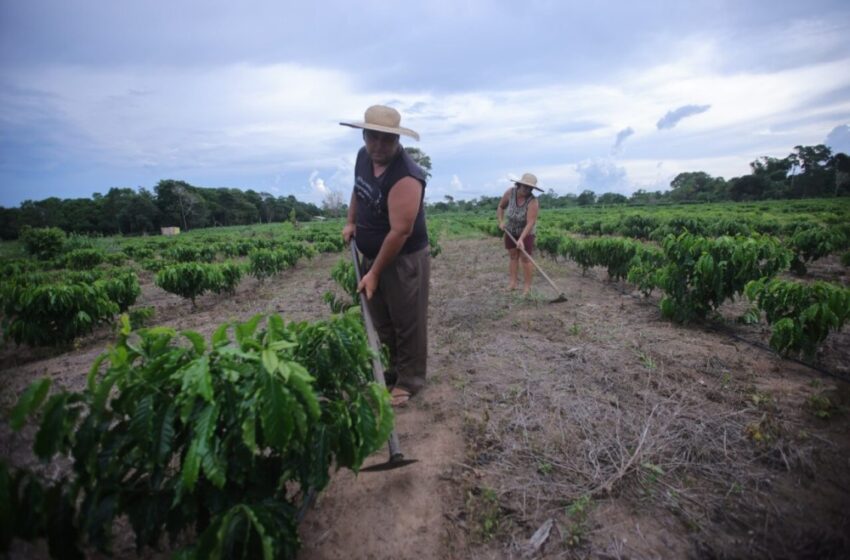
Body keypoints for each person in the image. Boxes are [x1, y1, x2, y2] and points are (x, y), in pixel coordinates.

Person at [340, 105, 429, 407]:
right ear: (364, 135)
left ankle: (410, 380)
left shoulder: (407, 176)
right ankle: (394, 368)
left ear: (397, 141)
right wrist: (351, 221)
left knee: (407, 319)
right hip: (373, 254)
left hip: (403, 257)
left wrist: (374, 272)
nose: (378, 146)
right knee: (382, 318)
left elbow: (399, 232)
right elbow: (358, 191)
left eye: (386, 140)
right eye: (372, 137)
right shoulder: (363, 158)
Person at [497, 173, 542, 295]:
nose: (527, 190)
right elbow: (501, 207)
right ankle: (512, 284)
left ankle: (527, 288)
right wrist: (501, 221)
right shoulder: (510, 193)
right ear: (519, 184)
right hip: (510, 229)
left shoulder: (533, 201)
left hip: (526, 231)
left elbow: (531, 222)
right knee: (513, 256)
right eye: (525, 187)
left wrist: (521, 239)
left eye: (530, 188)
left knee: (525, 258)